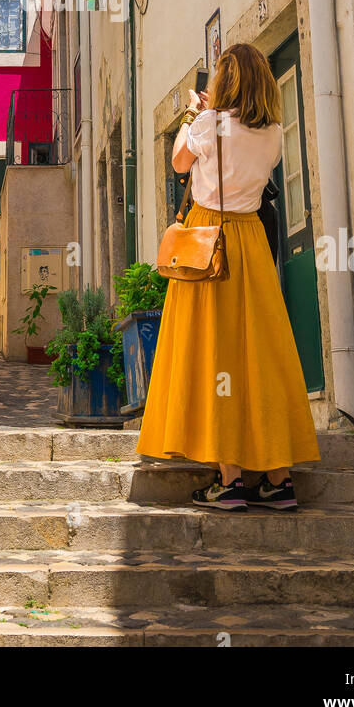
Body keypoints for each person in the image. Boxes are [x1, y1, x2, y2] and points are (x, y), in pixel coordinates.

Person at [137, 42, 320, 510]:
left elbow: (180, 162)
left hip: (207, 242)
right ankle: (279, 477)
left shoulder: (209, 122)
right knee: (260, 353)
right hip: (251, 242)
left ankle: (230, 477)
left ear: (227, 81)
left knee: (210, 352)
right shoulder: (275, 131)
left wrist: (191, 115)